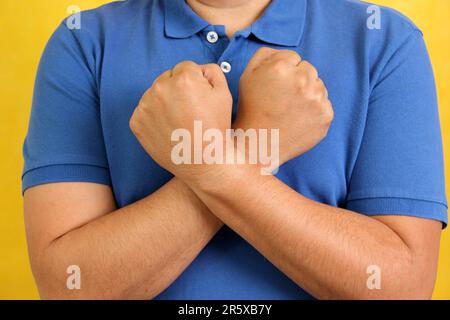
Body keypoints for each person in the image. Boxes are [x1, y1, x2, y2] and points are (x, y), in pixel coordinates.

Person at [23, 0, 447, 299]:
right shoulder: (83, 42)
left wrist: (209, 161)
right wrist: (263, 141)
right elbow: (68, 286)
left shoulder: (385, 42)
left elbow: (401, 287)